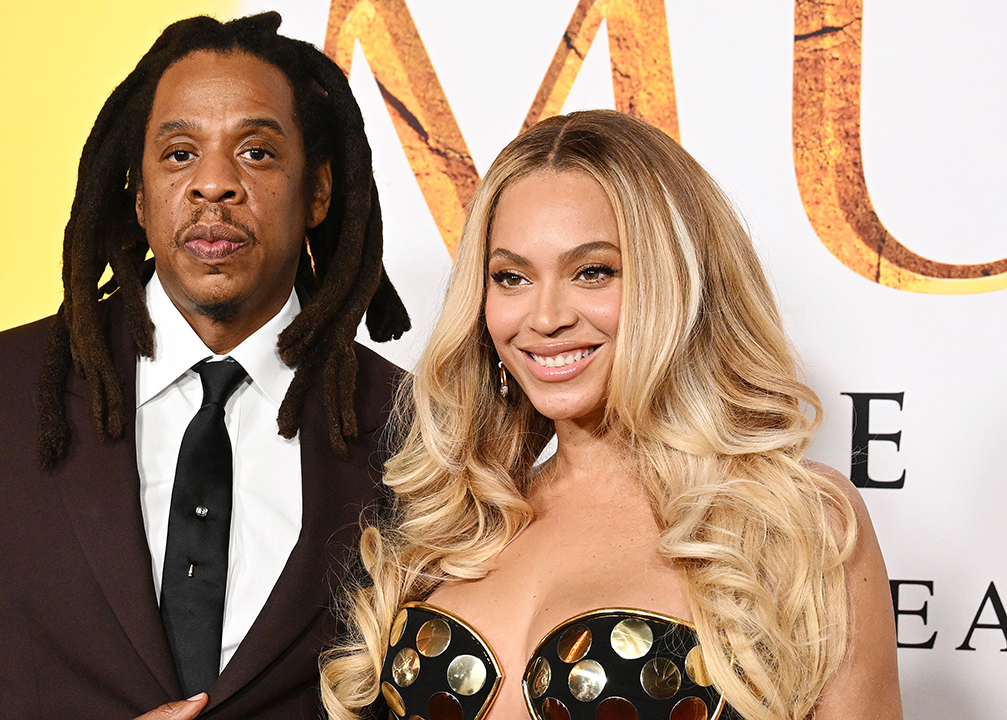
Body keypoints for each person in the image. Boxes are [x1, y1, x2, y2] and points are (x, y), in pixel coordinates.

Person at [0, 13, 411, 720]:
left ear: (318, 192)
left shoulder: (409, 425)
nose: (213, 185)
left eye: (255, 152)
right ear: (138, 195)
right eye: (179, 154)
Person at [321, 110, 901, 720]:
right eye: (512, 276)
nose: (545, 318)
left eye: (592, 271)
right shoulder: (460, 519)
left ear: (676, 281)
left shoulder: (791, 522)